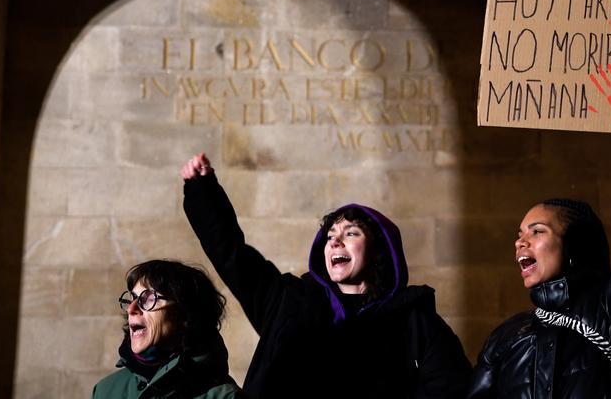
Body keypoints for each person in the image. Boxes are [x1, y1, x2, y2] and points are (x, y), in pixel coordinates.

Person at [180, 157, 471, 398]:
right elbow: (232, 254)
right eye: (331, 236)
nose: (334, 242)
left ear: (379, 251)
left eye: (351, 233)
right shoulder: (288, 301)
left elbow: (448, 389)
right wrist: (202, 192)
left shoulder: (416, 320)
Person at [467, 74, 611, 399]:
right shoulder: (506, 338)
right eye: (519, 234)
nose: (520, 242)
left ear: (572, 245)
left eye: (537, 231)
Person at [92, 260, 245, 399]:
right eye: (132, 298)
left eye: (148, 298)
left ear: (184, 314)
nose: (131, 308)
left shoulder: (225, 396)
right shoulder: (105, 391)